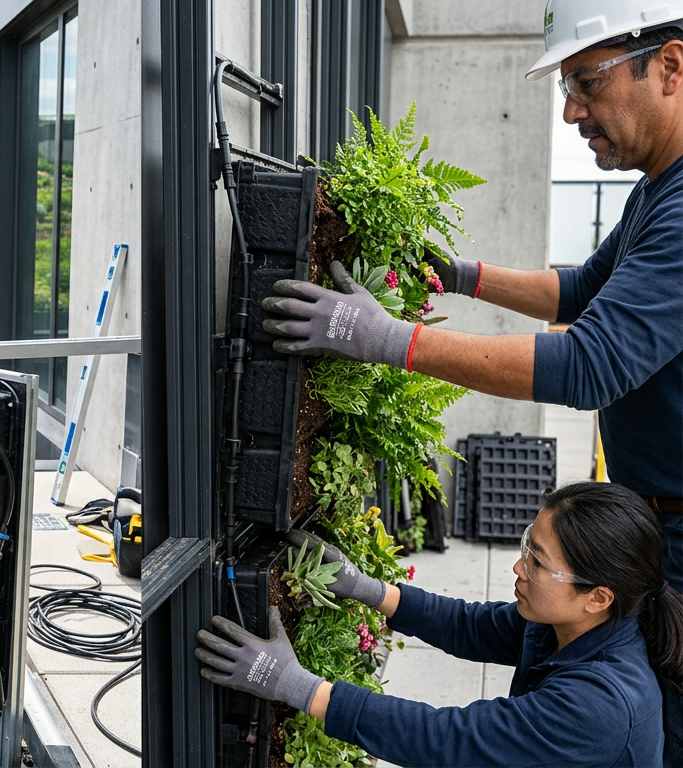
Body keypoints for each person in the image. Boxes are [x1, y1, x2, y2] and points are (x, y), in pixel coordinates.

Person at [260, 2, 683, 757]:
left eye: (586, 81)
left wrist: (388, 340)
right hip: (653, 516)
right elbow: (580, 288)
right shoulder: (658, 188)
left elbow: (587, 361)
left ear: (671, 67)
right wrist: (460, 275)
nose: (571, 112)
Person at [197, 482, 682, 767]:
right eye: (525, 546)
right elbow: (471, 626)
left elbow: (450, 740)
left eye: (536, 561)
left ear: (598, 597)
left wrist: (297, 686)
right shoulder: (576, 623)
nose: (519, 568)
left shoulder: (601, 706)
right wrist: (366, 588)